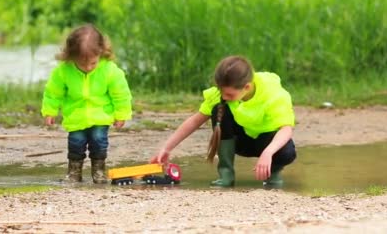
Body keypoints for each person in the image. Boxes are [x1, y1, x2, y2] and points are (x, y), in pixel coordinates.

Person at [151, 55, 296, 187]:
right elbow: (195, 121)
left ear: (247, 87)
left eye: (229, 94)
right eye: (222, 92)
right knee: (218, 110)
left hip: (267, 143)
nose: (224, 97)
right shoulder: (221, 94)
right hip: (240, 142)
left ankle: (273, 174)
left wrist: (268, 153)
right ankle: (226, 175)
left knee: (287, 151)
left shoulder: (274, 94)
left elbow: (286, 129)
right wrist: (167, 148)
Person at [42, 24, 132, 184]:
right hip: (76, 116)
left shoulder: (109, 70)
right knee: (76, 143)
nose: (88, 67)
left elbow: (121, 94)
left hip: (101, 116)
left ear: (101, 52)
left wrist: (121, 114)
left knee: (99, 141)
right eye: (82, 64)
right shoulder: (63, 71)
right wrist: (50, 110)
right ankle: (74, 172)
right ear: (71, 56)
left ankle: (98, 171)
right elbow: (53, 92)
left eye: (93, 63)